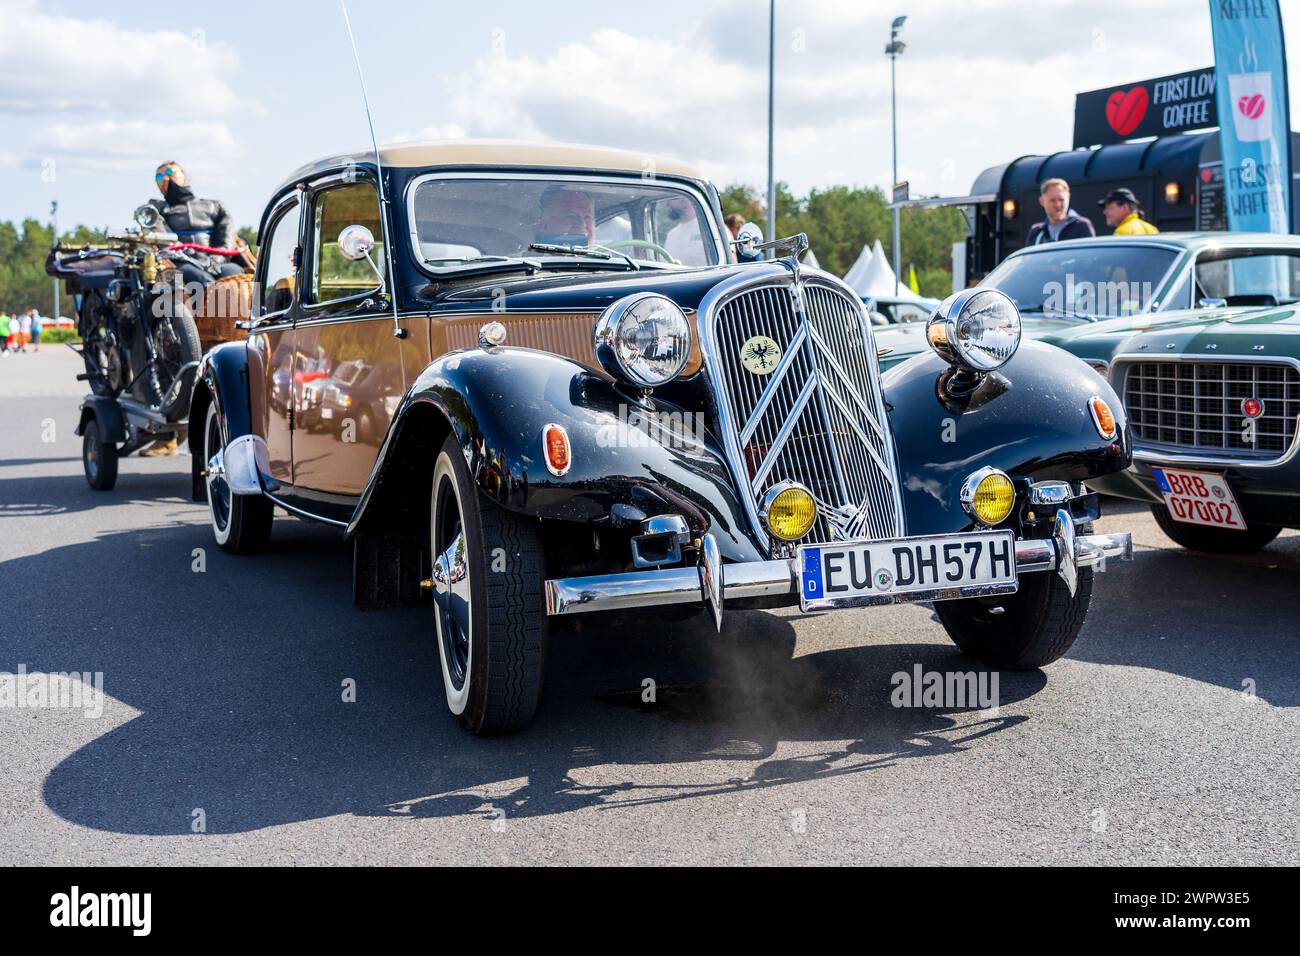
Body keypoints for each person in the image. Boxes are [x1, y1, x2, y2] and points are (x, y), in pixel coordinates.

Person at [148, 161, 244, 289]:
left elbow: (227, 239)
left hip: (215, 262)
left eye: (169, 172)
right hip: (179, 263)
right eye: (159, 177)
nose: (165, 178)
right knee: (202, 281)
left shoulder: (215, 206)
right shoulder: (154, 211)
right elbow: (165, 243)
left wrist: (216, 259)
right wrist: (192, 262)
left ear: (185, 176)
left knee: (236, 275)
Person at [1026, 178, 1096, 245]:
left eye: (1061, 200)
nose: (1058, 205)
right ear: (1042, 201)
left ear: (1068, 198)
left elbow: (1091, 255)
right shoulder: (1037, 231)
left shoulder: (1081, 226)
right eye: (1052, 200)